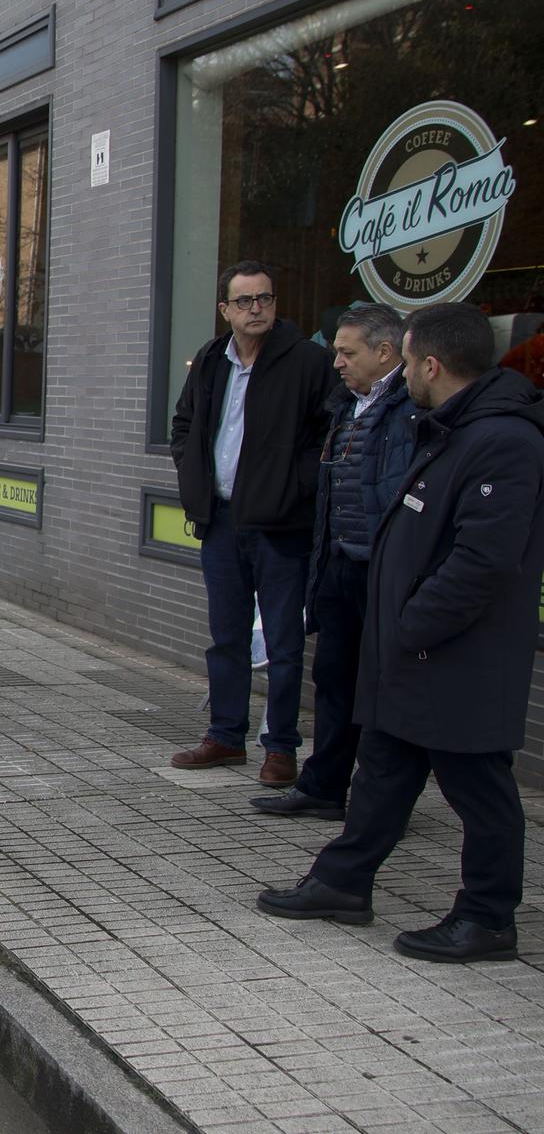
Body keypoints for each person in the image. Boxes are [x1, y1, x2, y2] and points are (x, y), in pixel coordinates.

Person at [258, 303, 544, 964]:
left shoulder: (503, 439)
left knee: (480, 788)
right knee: (384, 768)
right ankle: (342, 881)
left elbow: (483, 560)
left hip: (458, 655)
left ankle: (487, 917)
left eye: (409, 361)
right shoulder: (452, 427)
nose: (404, 372)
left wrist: (413, 623)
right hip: (414, 650)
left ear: (433, 365)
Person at [167, 261, 334, 783]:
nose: (256, 308)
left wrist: (296, 485)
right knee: (227, 638)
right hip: (220, 520)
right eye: (244, 301)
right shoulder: (212, 360)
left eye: (264, 298)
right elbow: (184, 424)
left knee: (283, 643)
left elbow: (327, 434)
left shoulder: (308, 361)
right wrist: (191, 474)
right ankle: (225, 736)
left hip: (282, 526)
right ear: (226, 311)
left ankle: (281, 747)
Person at [252, 303, 415, 823]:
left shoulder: (412, 409)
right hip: (341, 562)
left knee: (385, 689)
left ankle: (383, 803)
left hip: (387, 573)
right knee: (334, 678)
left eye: (347, 352)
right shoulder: (346, 405)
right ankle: (323, 787)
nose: (336, 362)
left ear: (385, 352)